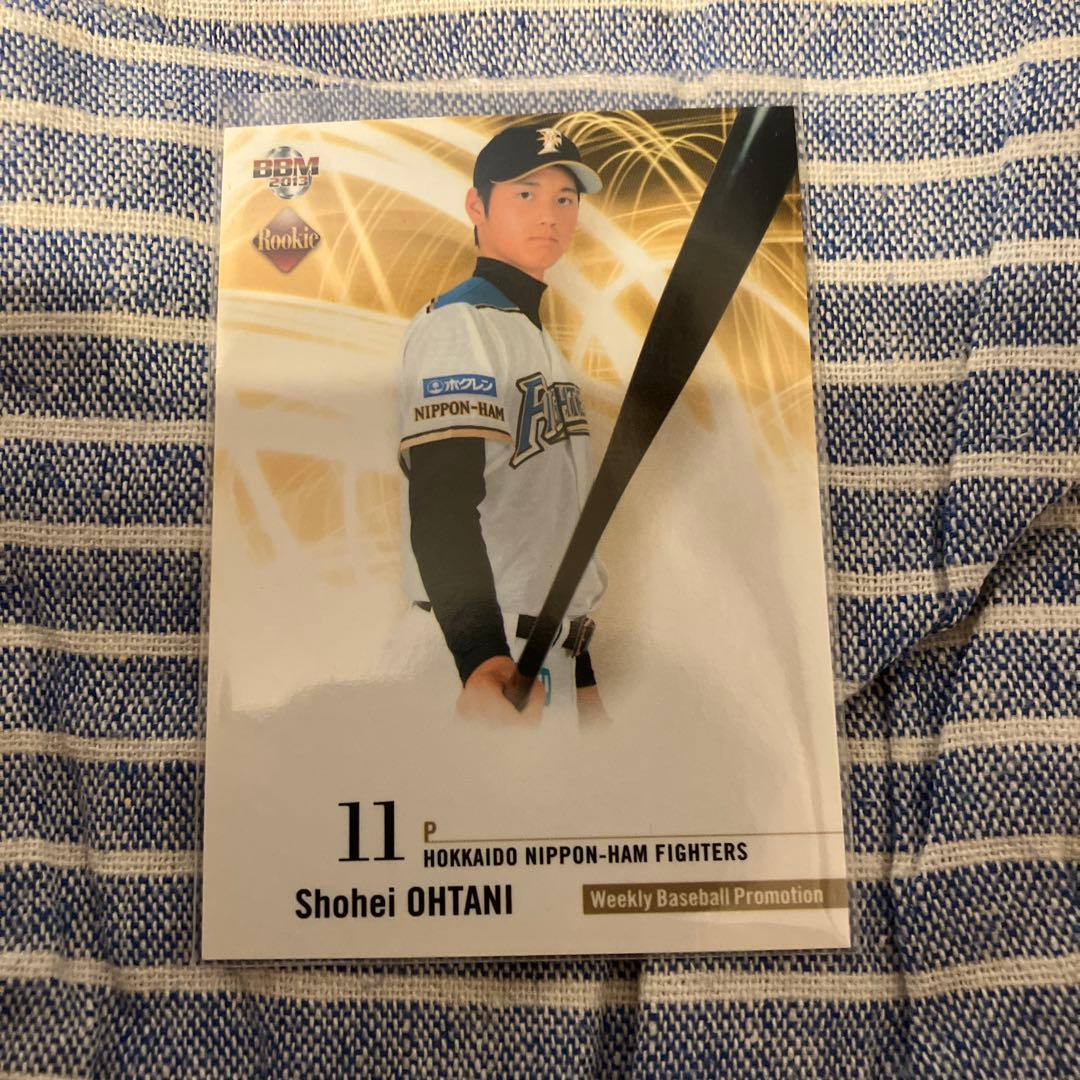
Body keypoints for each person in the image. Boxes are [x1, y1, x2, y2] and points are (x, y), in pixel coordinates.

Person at [397, 123, 609, 724]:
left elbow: (551, 536)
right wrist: (480, 658)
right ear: (476, 205)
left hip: (549, 648)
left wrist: (583, 680)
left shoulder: (536, 338)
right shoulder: (460, 324)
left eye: (564, 198)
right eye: (525, 193)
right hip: (489, 651)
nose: (549, 214)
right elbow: (441, 503)